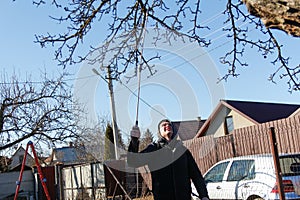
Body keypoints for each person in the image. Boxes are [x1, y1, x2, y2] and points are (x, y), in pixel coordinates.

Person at [127, 119, 209, 200]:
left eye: (169, 125)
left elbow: (196, 175)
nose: (167, 126)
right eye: (164, 125)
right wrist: (134, 141)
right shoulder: (154, 149)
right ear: (159, 132)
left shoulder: (183, 151)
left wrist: (204, 195)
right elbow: (133, 162)